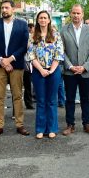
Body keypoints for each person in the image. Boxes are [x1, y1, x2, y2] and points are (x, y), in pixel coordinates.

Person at [0, 0, 31, 137]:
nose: (4, 10)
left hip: (16, 65)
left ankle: (20, 125)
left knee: (17, 96)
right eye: (2, 8)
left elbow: (24, 46)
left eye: (6, 7)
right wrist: (2, 60)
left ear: (13, 9)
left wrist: (10, 59)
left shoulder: (22, 25)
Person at [26, 10, 64, 139]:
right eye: (40, 18)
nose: (42, 20)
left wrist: (51, 70)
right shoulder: (32, 36)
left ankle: (52, 128)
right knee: (41, 101)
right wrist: (41, 70)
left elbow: (59, 54)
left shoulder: (56, 35)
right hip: (38, 71)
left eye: (45, 18)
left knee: (52, 100)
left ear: (49, 20)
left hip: (53, 71)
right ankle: (40, 129)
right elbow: (31, 55)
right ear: (37, 20)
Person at [60, 5, 89, 136]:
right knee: (69, 99)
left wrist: (85, 66)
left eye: (78, 13)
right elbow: (61, 52)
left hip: (86, 72)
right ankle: (70, 125)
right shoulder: (64, 30)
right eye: (74, 13)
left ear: (83, 14)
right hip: (70, 71)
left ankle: (86, 124)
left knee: (85, 98)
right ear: (70, 14)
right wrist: (70, 66)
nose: (76, 16)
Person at [22, 21, 35, 110]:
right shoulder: (26, 37)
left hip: (30, 64)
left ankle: (29, 102)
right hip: (24, 63)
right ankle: (28, 102)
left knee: (28, 85)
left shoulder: (33, 37)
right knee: (26, 85)